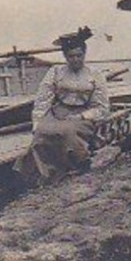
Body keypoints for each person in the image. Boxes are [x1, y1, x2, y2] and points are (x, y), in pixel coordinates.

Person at [16, 28, 111, 184]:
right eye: (71, 56)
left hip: (84, 112)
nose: (75, 60)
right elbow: (43, 98)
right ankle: (41, 174)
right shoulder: (56, 71)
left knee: (67, 132)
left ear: (84, 55)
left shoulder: (95, 74)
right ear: (65, 57)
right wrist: (37, 120)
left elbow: (102, 106)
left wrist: (83, 116)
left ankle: (75, 167)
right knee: (42, 133)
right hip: (59, 111)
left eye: (79, 55)